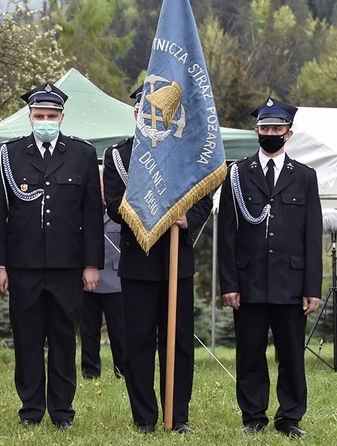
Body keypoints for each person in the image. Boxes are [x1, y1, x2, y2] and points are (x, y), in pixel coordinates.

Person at [0, 83, 104, 429]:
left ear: (62, 118)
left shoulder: (82, 154)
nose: (45, 121)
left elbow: (91, 214)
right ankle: (30, 410)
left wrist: (91, 263)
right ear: (29, 117)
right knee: (26, 339)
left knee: (63, 339)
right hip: (22, 265)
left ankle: (62, 412)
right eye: (39, 116)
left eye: (51, 116)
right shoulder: (9, 153)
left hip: (67, 265)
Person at [103, 86, 212, 434]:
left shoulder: (186, 154)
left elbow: (203, 199)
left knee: (178, 342)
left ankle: (177, 416)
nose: (150, 117)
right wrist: (151, 212)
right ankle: (145, 417)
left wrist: (186, 219)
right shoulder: (118, 155)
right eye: (144, 112)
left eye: (156, 112)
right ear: (136, 115)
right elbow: (113, 205)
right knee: (137, 343)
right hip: (138, 262)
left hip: (177, 263)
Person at [218, 97, 322, 438]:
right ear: (256, 131)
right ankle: (253, 417)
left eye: (277, 129)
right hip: (248, 281)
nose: (270, 133)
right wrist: (228, 283)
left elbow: (311, 234)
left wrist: (312, 288)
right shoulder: (237, 174)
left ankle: (290, 417)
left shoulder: (305, 176)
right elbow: (228, 233)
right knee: (250, 353)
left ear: (288, 134)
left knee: (291, 355)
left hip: (289, 281)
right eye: (265, 128)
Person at [79, 167, 125, 381]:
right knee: (88, 329)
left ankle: (123, 371)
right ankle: (90, 371)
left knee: (120, 330)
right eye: (97, 183)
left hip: (116, 280)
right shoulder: (84, 209)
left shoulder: (122, 208)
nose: (101, 187)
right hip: (88, 279)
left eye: (104, 183)